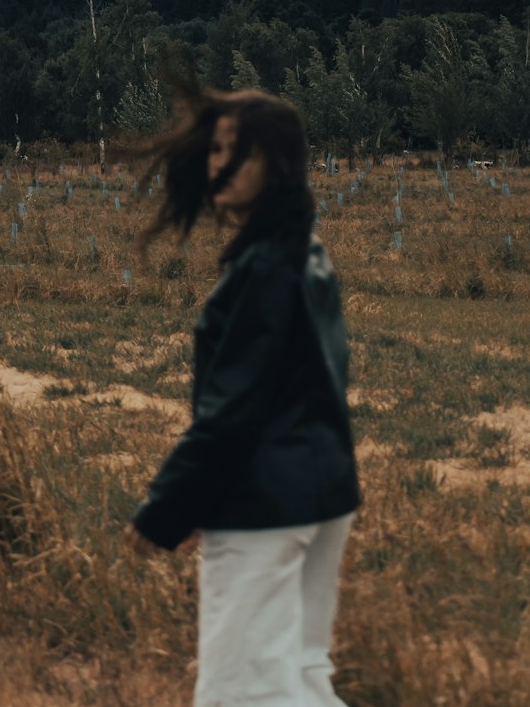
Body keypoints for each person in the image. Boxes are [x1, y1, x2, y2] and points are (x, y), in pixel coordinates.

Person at [126, 85, 360, 707]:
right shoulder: (304, 253)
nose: (218, 165)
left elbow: (232, 413)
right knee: (303, 678)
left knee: (241, 693)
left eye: (240, 153)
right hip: (325, 493)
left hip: (266, 504)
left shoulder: (263, 270)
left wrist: (166, 510)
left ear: (278, 165)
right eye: (217, 150)